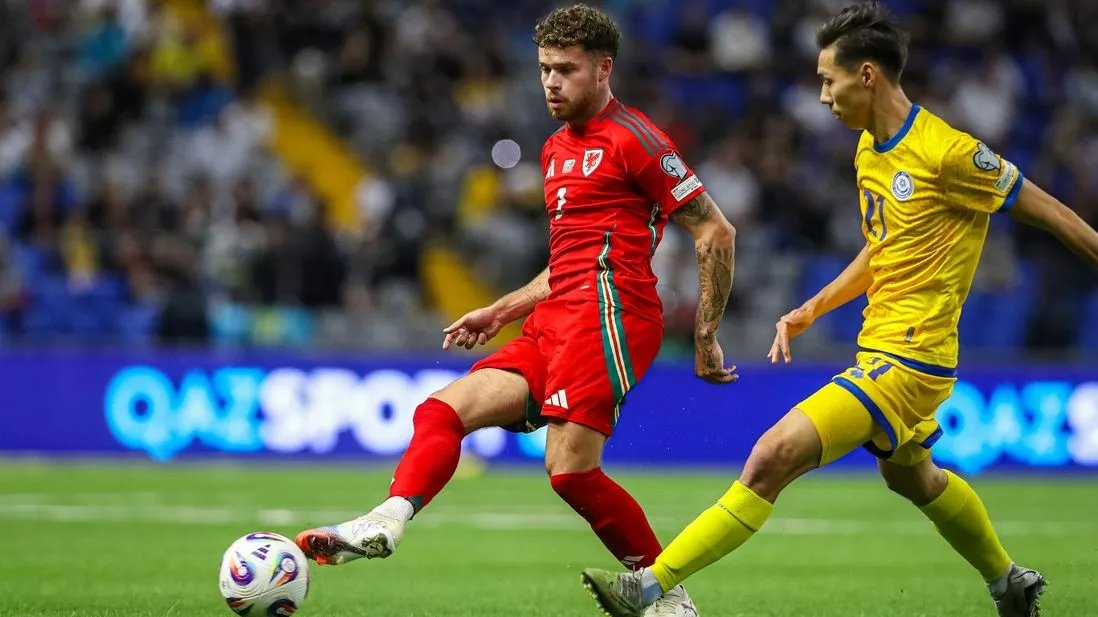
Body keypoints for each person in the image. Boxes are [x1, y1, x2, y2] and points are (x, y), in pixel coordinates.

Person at [580, 2, 1098, 616]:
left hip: (912, 358)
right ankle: (1009, 582)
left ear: (867, 75)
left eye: (829, 81)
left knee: (772, 455)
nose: (823, 97)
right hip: (882, 344)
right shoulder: (868, 152)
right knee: (914, 477)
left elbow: (1053, 212)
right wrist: (812, 308)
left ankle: (649, 587)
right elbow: (883, 249)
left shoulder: (949, 153)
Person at [294, 5, 737, 616]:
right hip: (555, 318)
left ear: (603, 69)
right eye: (544, 69)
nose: (551, 82)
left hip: (612, 311)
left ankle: (666, 597)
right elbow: (567, 261)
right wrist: (501, 310)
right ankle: (385, 521)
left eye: (566, 69)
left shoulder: (635, 138)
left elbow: (715, 230)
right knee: (442, 410)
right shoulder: (555, 149)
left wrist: (706, 334)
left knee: (570, 471)